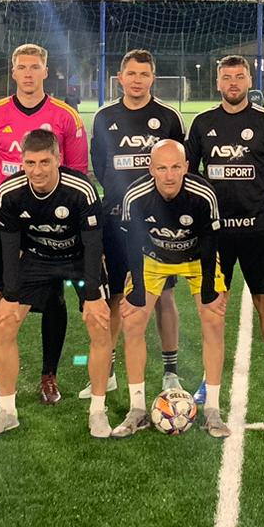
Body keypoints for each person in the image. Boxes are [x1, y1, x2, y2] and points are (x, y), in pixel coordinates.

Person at [0, 43, 88, 406]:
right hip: (6, 218)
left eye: (34, 67)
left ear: (45, 71)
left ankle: (48, 374)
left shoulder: (66, 116)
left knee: (54, 297)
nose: (28, 73)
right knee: (2, 297)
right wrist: (11, 197)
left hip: (51, 223)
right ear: (13, 72)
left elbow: (76, 170)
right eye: (22, 67)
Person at [188, 55, 264, 407]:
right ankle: (208, 380)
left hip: (259, 229)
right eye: (227, 77)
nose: (233, 83)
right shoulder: (202, 123)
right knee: (213, 305)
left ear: (250, 81)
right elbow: (189, 174)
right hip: (215, 234)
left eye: (239, 76)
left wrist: (257, 195)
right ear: (218, 83)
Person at [0, 130, 111, 438]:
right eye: (30, 163)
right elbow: (9, 248)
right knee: (4, 326)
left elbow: (94, 245)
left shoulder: (81, 190)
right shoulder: (10, 192)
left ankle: (98, 412)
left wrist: (94, 296)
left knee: (99, 324)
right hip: (37, 259)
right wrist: (10, 296)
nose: (37, 171)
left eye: (45, 162)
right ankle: (7, 412)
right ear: (22, 162)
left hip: (78, 258)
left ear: (58, 159)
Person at [112, 141, 230, 438]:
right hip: (153, 259)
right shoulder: (136, 196)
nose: (169, 175)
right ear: (151, 169)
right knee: (133, 321)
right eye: (162, 168)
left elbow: (210, 243)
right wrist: (137, 291)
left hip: (196, 259)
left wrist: (209, 291)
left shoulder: (203, 195)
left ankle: (213, 410)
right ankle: (137, 410)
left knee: (213, 320)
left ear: (186, 167)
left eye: (176, 167)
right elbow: (132, 244)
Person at [88, 49, 185, 397]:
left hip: (157, 225)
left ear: (153, 78)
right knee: (116, 295)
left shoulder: (168, 117)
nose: (137, 80)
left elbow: (179, 168)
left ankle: (171, 372)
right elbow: (101, 166)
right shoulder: (104, 117)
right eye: (131, 73)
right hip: (116, 221)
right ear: (120, 78)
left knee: (163, 296)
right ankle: (110, 369)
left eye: (144, 74)